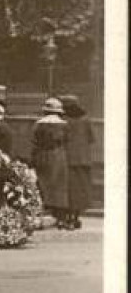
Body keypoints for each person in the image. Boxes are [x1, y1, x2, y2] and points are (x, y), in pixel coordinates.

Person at [31, 97, 69, 228]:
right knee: (58, 185)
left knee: (43, 183)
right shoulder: (64, 125)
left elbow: (34, 141)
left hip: (42, 155)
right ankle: (59, 215)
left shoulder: (38, 124)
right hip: (58, 156)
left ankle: (43, 212)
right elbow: (67, 141)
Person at [60, 95, 94, 229]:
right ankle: (76, 216)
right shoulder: (86, 119)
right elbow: (91, 138)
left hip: (69, 160)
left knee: (69, 190)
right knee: (81, 190)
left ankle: (68, 218)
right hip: (84, 161)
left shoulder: (64, 121)